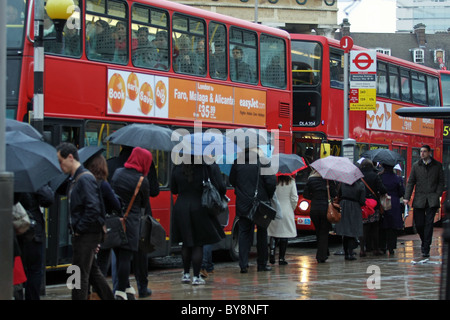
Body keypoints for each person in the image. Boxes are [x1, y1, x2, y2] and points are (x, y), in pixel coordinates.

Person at [56, 142, 114, 300]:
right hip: (83, 234)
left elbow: (93, 208)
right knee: (93, 273)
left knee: (77, 275)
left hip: (85, 235)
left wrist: (79, 228)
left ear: (70, 157)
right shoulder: (75, 179)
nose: (60, 166)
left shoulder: (84, 179)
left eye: (61, 161)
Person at [107, 146, 159, 298]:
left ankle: (124, 287)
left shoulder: (117, 173)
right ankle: (121, 291)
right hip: (132, 223)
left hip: (117, 220)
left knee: (119, 255)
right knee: (128, 257)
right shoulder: (142, 181)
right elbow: (143, 203)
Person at [171, 156, 226, 285]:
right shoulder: (204, 168)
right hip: (199, 206)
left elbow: (173, 189)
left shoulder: (177, 168)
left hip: (181, 207)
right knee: (198, 243)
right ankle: (196, 277)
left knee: (185, 242)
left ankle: (185, 274)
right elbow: (218, 186)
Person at [229, 148, 277, 273]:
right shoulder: (263, 162)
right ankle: (261, 264)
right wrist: (268, 196)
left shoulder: (237, 162)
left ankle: (243, 264)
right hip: (261, 204)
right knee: (262, 233)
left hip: (243, 204)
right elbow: (271, 183)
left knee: (244, 233)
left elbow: (232, 181)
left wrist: (242, 193)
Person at [84, 153, 122, 285]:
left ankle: (86, 288)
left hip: (86, 227)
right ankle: (98, 290)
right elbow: (116, 205)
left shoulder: (84, 183)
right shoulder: (103, 185)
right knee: (102, 262)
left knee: (87, 262)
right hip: (101, 227)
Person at [404, 145, 445, 258]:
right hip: (419, 199)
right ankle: (424, 240)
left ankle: (426, 247)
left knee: (429, 224)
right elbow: (411, 182)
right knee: (419, 224)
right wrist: (407, 197)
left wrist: (438, 194)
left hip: (432, 199)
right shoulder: (416, 166)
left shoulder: (437, 166)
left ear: (429, 153)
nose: (422, 154)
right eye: (421, 152)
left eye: (424, 152)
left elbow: (441, 182)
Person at [15, 184, 54, 300]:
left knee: (16, 270)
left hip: (14, 230)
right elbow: (48, 198)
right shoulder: (32, 179)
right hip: (32, 231)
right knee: (34, 270)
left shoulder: (9, 174)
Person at [303, 170, 336, 263]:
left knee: (318, 231)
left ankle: (324, 251)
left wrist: (313, 198)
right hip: (325, 209)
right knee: (324, 232)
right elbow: (334, 193)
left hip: (314, 209)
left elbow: (305, 194)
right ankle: (321, 256)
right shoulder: (328, 180)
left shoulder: (311, 180)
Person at [267, 175, 298, 265]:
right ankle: (281, 258)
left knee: (274, 233)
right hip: (287, 210)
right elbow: (294, 198)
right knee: (284, 234)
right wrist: (292, 208)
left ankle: (272, 253)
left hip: (274, 210)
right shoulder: (291, 182)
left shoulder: (273, 180)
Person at [359, 159, 387, 257]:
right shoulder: (375, 176)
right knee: (375, 227)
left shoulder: (358, 176)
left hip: (362, 204)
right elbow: (382, 189)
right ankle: (375, 249)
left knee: (364, 227)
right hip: (373, 204)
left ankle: (362, 249)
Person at [335, 179, 366, 260]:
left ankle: (346, 253)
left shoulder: (342, 183)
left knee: (345, 231)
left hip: (343, 206)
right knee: (353, 230)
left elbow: (339, 194)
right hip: (355, 207)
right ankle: (350, 252)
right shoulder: (360, 185)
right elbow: (362, 200)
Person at [379, 164, 405, 255]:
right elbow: (402, 192)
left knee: (383, 225)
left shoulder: (380, 177)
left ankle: (382, 246)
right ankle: (391, 247)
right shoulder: (398, 178)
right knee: (392, 227)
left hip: (382, 202)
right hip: (394, 203)